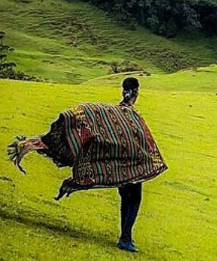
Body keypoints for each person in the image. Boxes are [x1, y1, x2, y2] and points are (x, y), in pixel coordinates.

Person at [8, 77, 167, 253]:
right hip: (130, 164)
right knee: (134, 197)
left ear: (123, 91)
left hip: (120, 162)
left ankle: (126, 237)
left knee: (126, 196)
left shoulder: (114, 112)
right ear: (136, 93)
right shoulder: (132, 116)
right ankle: (125, 238)